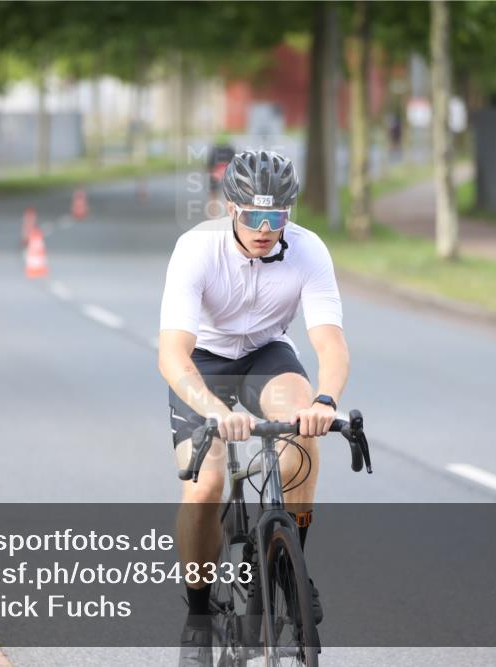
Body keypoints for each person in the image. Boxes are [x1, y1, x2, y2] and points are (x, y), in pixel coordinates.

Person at [158, 150, 350, 665]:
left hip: (267, 351)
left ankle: (287, 568)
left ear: (289, 213)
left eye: (277, 217)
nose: (265, 228)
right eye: (254, 216)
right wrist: (213, 410)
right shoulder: (196, 249)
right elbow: (172, 353)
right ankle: (199, 615)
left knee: (302, 431)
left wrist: (326, 401)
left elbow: (330, 343)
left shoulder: (309, 250)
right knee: (205, 487)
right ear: (229, 208)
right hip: (204, 360)